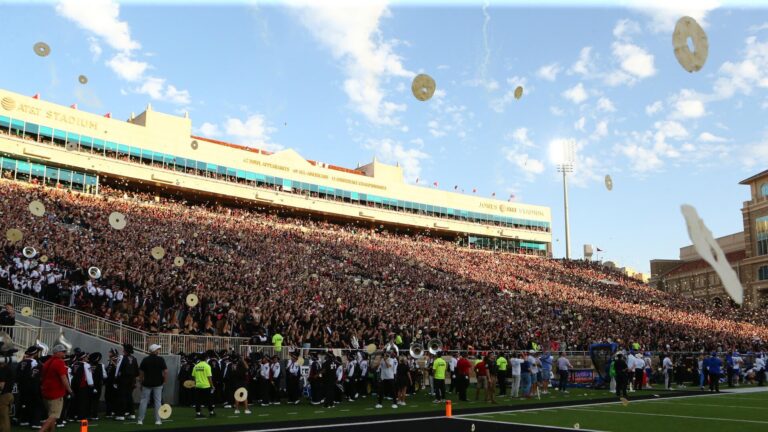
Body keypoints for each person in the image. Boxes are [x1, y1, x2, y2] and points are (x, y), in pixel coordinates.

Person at [40, 345, 73, 432]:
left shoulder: (47, 362)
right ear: (57, 352)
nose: (64, 353)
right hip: (55, 392)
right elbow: (64, 378)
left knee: (51, 416)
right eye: (63, 352)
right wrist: (70, 390)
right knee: (54, 415)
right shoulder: (59, 362)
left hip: (46, 391)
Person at [137, 344, 168, 425]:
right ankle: (158, 420)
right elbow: (165, 371)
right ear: (154, 350)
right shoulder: (160, 359)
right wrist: (164, 381)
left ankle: (140, 420)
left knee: (144, 401)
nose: (159, 350)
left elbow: (141, 372)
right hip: (158, 384)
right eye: (158, 349)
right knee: (158, 402)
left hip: (146, 384)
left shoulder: (145, 359)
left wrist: (140, 382)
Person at [16, 346, 43, 428]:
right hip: (31, 386)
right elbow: (34, 375)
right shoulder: (34, 362)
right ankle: (34, 422)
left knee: (24, 403)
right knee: (35, 404)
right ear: (35, 353)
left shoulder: (21, 362)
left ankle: (24, 420)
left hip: (21, 386)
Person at [115, 343, 139, 420]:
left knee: (121, 396)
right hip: (131, 380)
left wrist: (115, 379)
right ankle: (131, 413)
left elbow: (118, 369)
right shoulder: (134, 358)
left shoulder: (121, 357)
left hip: (123, 379)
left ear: (125, 350)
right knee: (129, 396)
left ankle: (121, 415)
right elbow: (137, 372)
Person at [192, 353, 215, 418]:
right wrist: (212, 385)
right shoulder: (207, 366)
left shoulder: (196, 366)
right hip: (206, 386)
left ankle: (198, 413)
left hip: (198, 386)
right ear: (206, 358)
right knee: (209, 400)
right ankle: (211, 412)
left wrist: (196, 383)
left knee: (198, 401)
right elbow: (209, 377)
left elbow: (193, 376)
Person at [88, 352, 106, 420]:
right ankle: (94, 415)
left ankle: (88, 414)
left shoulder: (88, 365)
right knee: (95, 400)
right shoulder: (101, 365)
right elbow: (104, 376)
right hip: (97, 385)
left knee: (89, 400)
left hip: (89, 385)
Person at [0, 355, 13, 432]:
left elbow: (2, 385)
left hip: (4, 395)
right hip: (8, 394)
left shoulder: (3, 370)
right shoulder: (8, 369)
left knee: (3, 416)